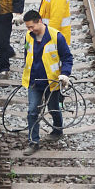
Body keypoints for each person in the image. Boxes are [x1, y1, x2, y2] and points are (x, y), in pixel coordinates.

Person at [22, 10, 73, 155]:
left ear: (40, 21)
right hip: (33, 82)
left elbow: (67, 58)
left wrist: (65, 74)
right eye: (28, 28)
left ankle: (57, 130)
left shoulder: (56, 37)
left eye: (32, 27)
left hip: (52, 82)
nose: (30, 30)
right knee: (32, 111)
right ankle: (33, 142)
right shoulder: (28, 36)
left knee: (53, 108)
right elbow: (27, 53)